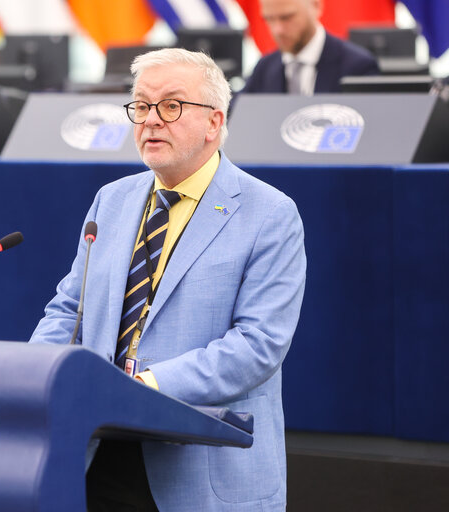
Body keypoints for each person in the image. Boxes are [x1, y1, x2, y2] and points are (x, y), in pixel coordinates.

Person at [29, 48, 306, 511]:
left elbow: (258, 345)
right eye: (141, 105)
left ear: (214, 123)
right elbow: (68, 311)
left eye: (172, 106)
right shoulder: (111, 201)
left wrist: (146, 386)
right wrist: (35, 375)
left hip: (198, 467)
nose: (151, 120)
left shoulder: (269, 214)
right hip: (97, 454)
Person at [241, 0, 379, 94]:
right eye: (269, 19)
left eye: (287, 17)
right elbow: (235, 115)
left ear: (316, 6)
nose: (277, 30)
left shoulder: (358, 67)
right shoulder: (264, 69)